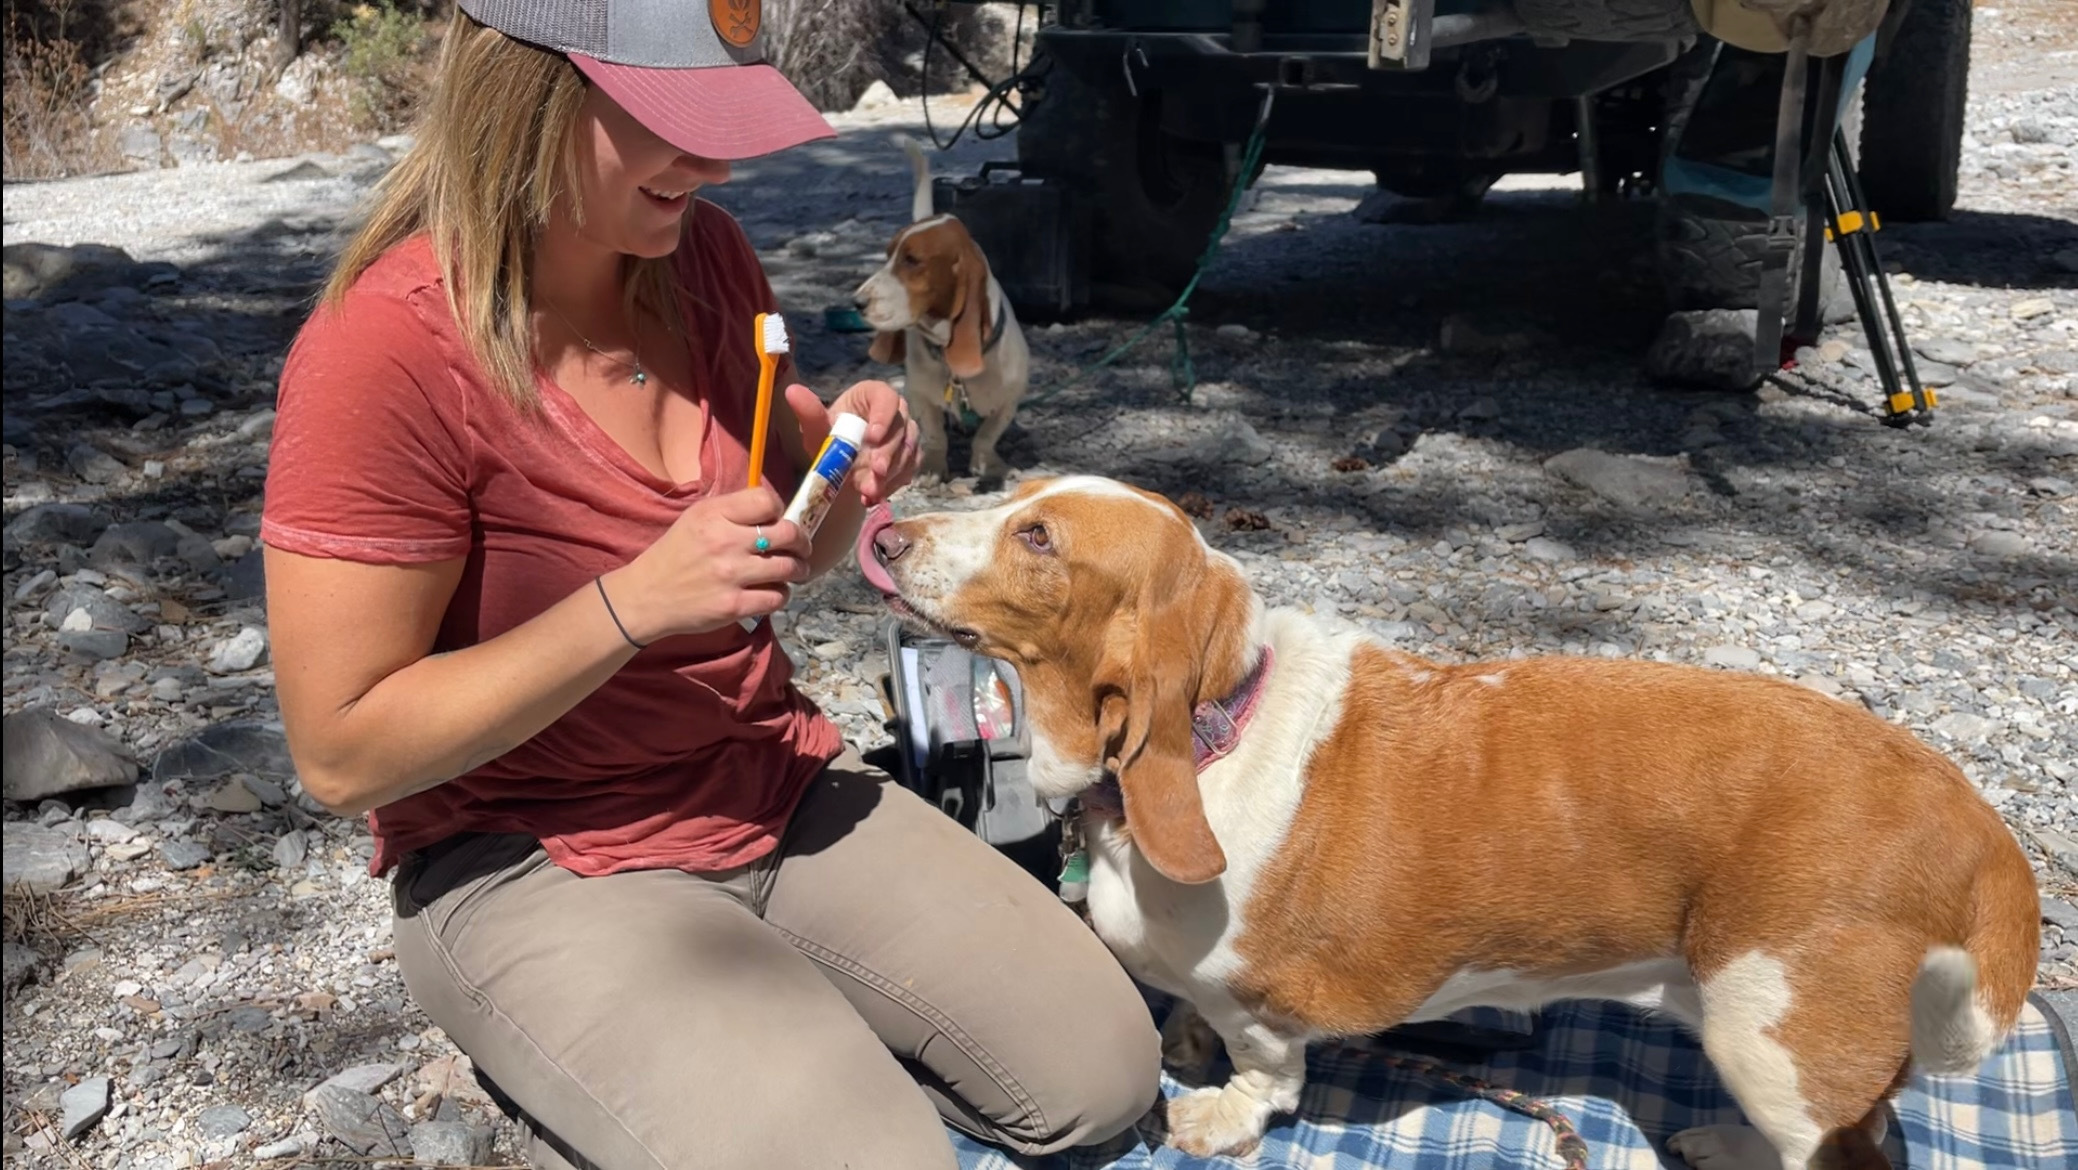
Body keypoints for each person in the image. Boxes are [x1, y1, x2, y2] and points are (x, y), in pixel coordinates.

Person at [259, 3, 1160, 1167]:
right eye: (671, 119)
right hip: (532, 854)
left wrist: (843, 472)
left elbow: (772, 563)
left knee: (1104, 1072)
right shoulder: (382, 350)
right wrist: (626, 607)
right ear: (524, 95)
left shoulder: (704, 256)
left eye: (724, 120)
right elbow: (340, 754)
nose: (718, 161)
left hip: (765, 783)